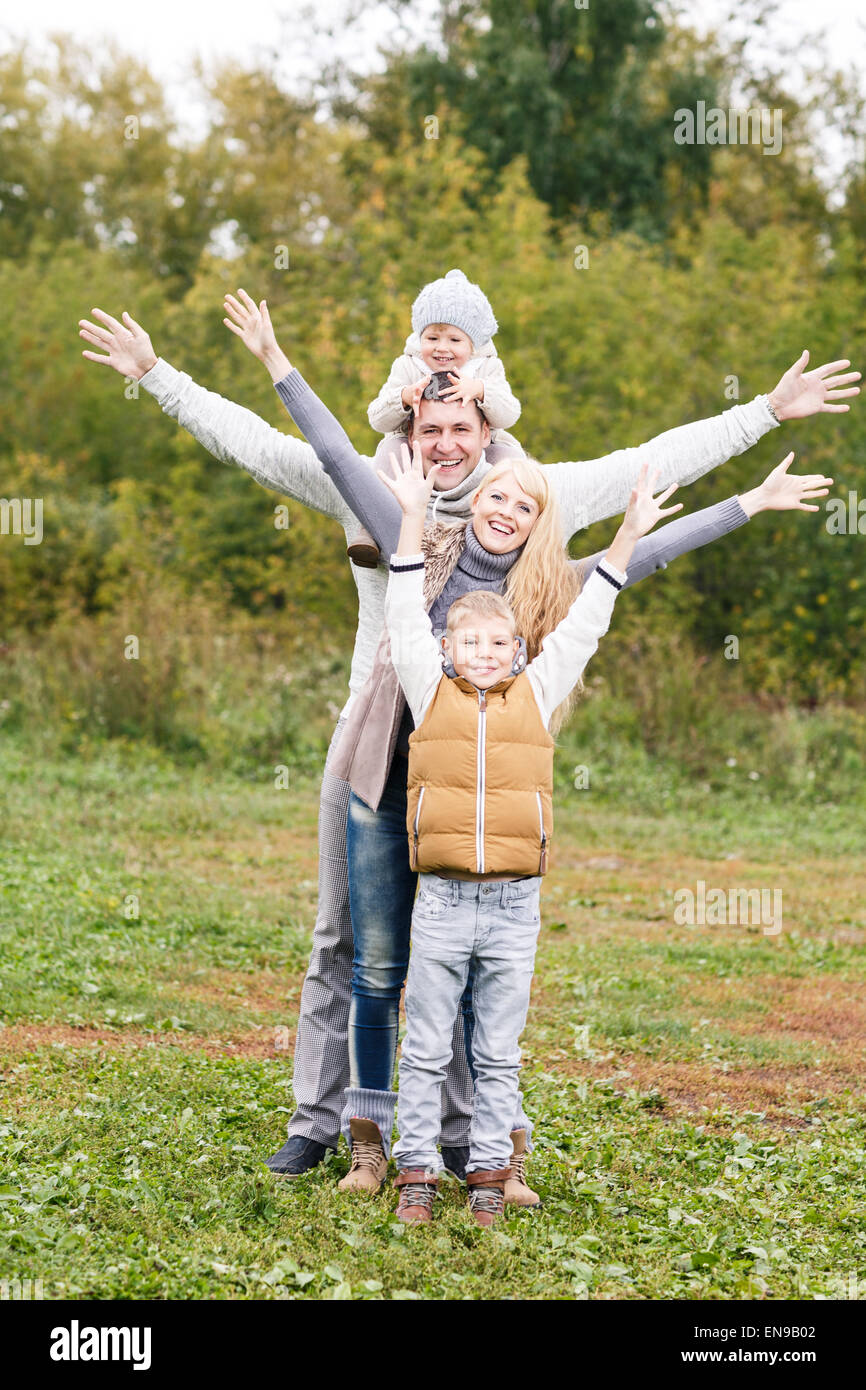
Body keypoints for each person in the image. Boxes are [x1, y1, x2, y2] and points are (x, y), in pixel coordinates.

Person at [78, 297, 859, 1181]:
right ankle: (322, 1120)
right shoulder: (370, 490)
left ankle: (454, 1132)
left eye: (462, 424)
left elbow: (650, 476)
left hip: (475, 759)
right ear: (409, 415)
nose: (445, 440)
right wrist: (159, 376)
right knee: (349, 943)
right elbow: (264, 444)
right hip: (372, 739)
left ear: (487, 423)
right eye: (429, 421)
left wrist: (762, 414)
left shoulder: (528, 501)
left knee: (454, 946)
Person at [382, 450, 674, 1226]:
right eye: (469, 645)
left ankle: (487, 1175)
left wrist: (627, 539)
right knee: (427, 1045)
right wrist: (413, 513)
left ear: (517, 653)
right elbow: (403, 605)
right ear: (447, 651)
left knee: (498, 1052)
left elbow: (589, 620)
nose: (483, 654)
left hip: (514, 906)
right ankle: (415, 1170)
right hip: (442, 903)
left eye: (498, 647)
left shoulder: (538, 695)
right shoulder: (427, 684)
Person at [348, 268, 523, 569]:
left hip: (484, 443)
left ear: (473, 344)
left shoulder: (485, 368)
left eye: (454, 339)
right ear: (420, 337)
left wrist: (480, 391)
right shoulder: (408, 366)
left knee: (514, 459)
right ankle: (370, 528)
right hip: (412, 442)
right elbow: (377, 418)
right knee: (386, 454)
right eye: (432, 337)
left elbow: (510, 413)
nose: (442, 348)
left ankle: (518, 528)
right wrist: (404, 397)